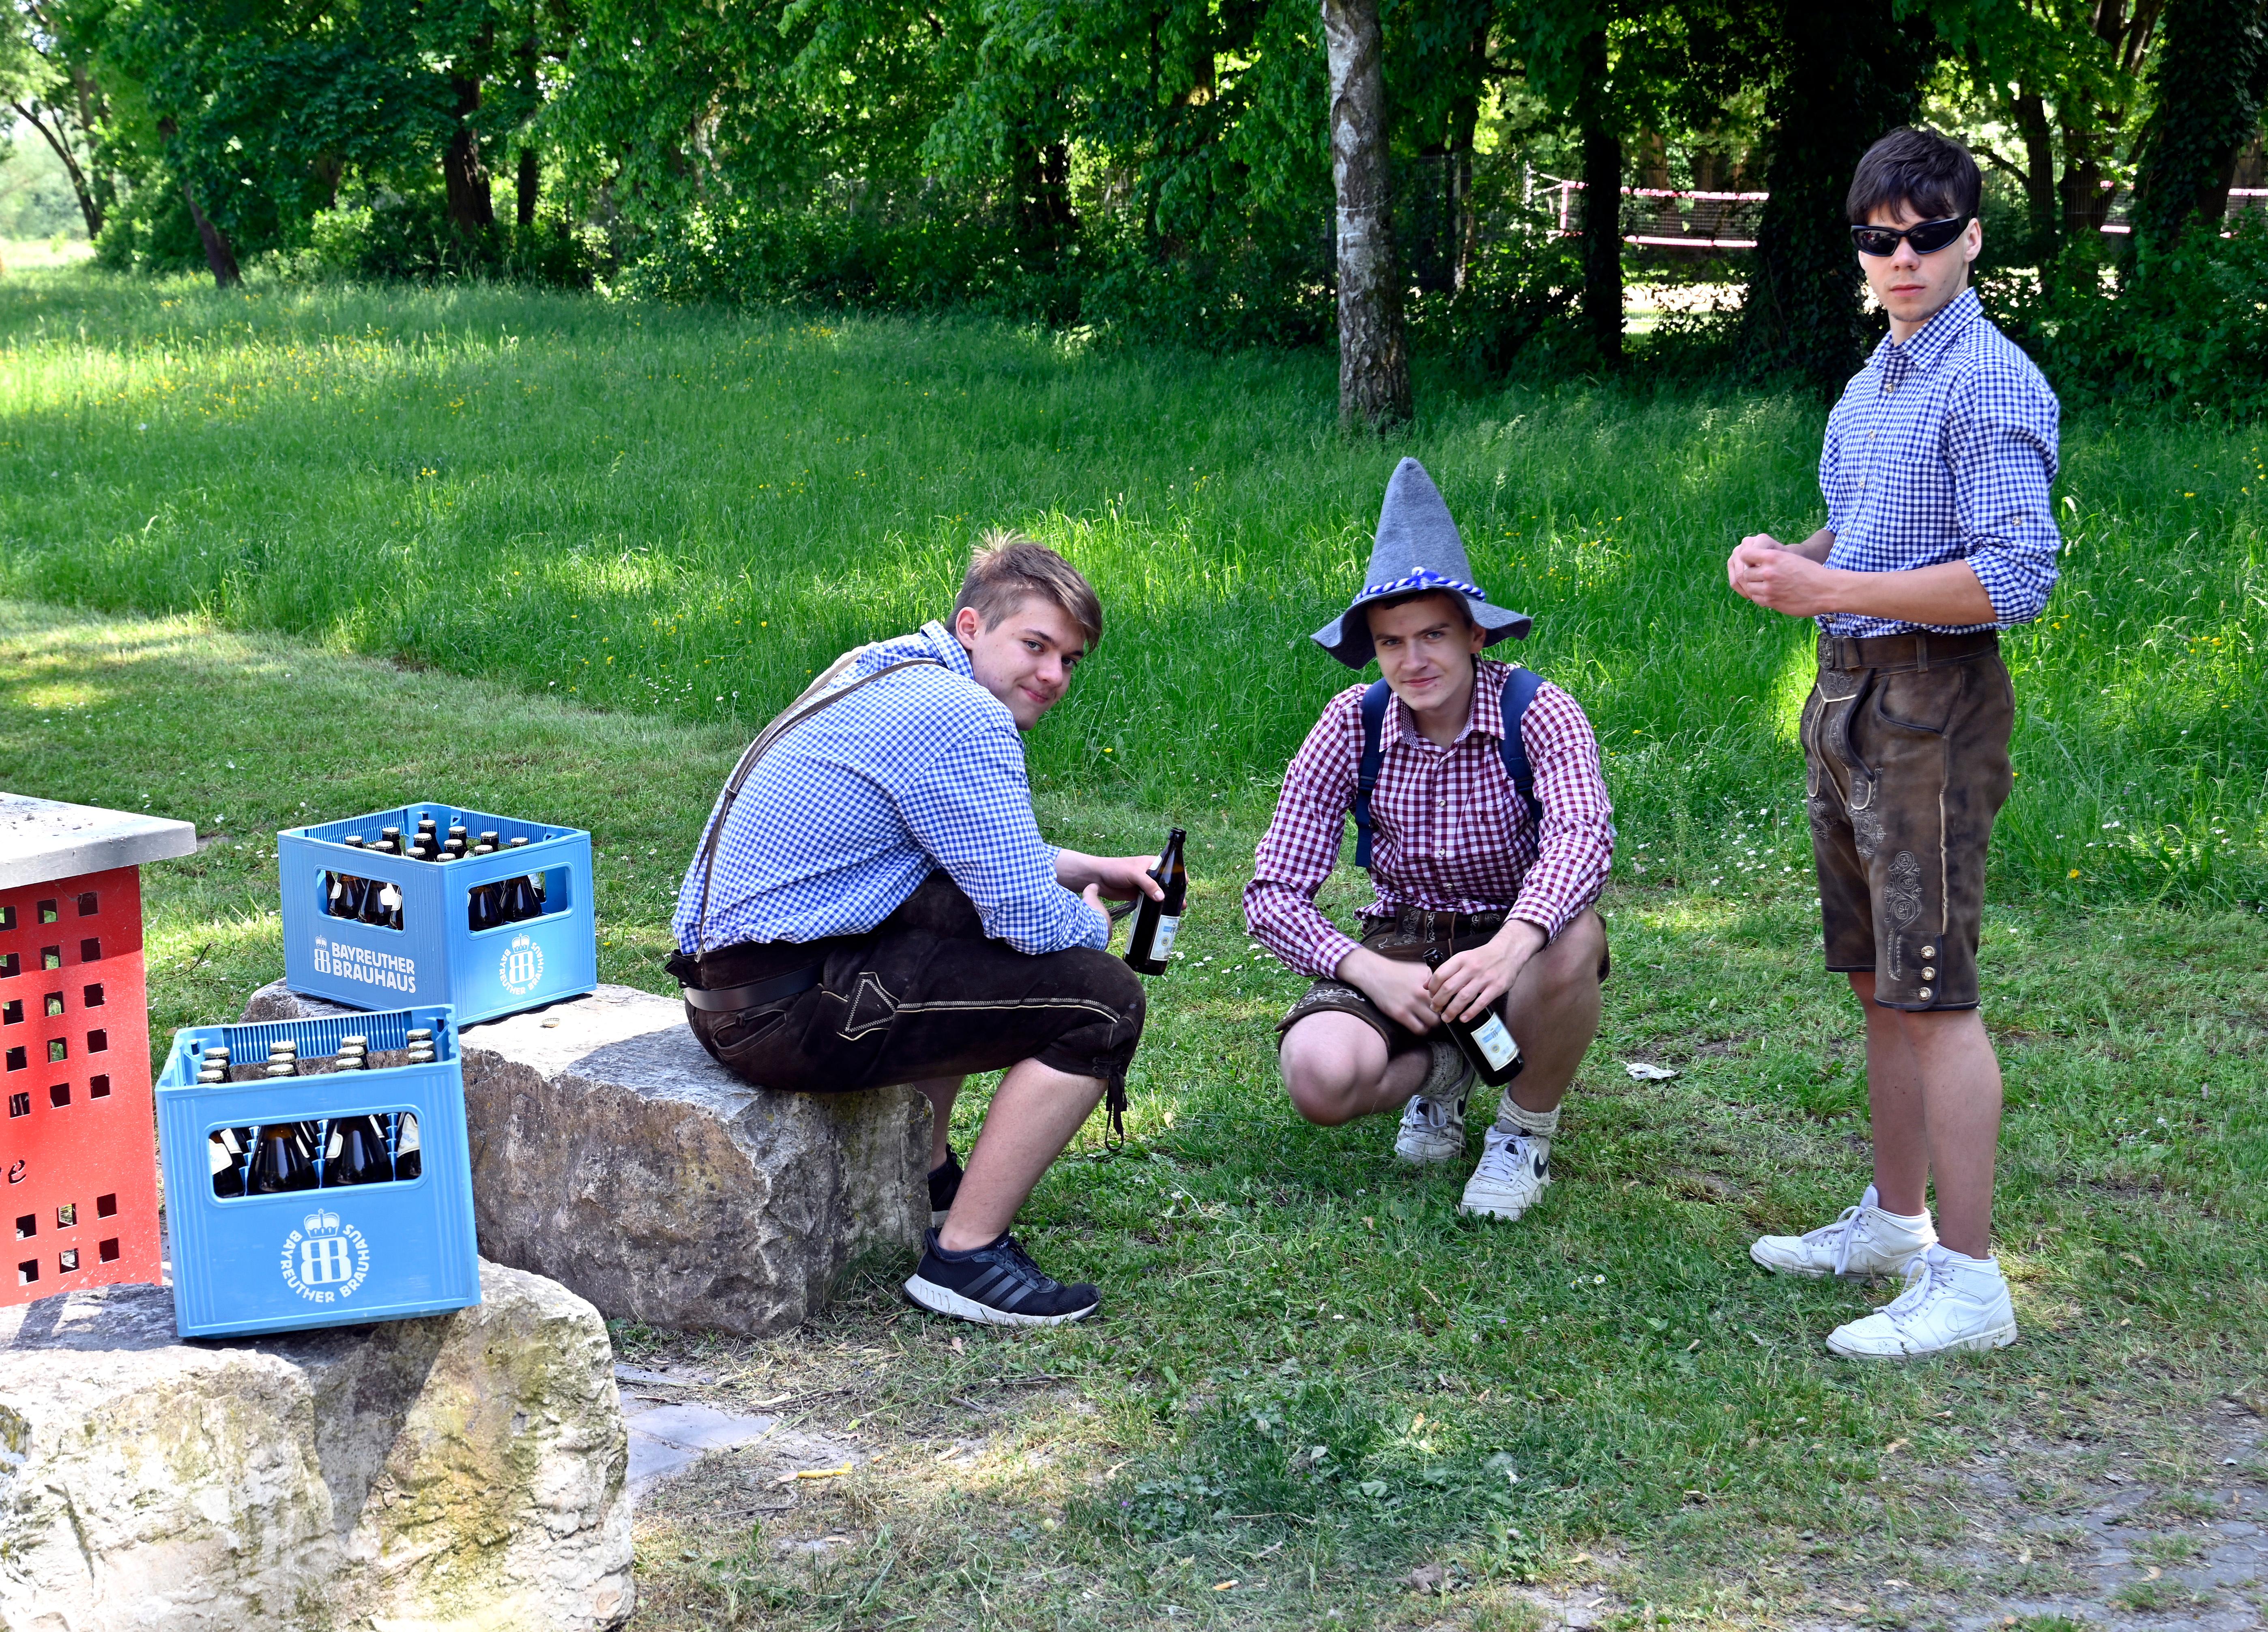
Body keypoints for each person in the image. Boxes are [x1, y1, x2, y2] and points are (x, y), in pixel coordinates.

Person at [1727, 127, 2060, 1359]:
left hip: (1933, 701)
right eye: (1882, 237)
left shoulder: (1993, 380)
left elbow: (2015, 576)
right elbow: (1858, 534)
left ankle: (1973, 1286)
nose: (1904, 256)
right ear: (1860, 246)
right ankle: (1897, 1224)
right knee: (1880, 982)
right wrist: (1794, 562)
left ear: (1973, 237)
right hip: (1851, 697)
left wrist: (1837, 585)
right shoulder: (1876, 379)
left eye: (1929, 234)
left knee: (1938, 996)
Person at [667, 535, 1165, 1327]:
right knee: (1102, 1000)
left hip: (736, 987)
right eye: (1035, 645)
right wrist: (1089, 917)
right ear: (972, 624)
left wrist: (1081, 865)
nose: (1053, 676)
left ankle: (930, 1183)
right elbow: (1029, 918)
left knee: (959, 909)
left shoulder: (891, 664)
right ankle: (966, 1255)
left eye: (1070, 659)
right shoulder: (963, 715)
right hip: (776, 1014)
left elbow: (975, 846)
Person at [1245, 458, 1613, 1220]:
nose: (1413, 661)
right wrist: (1366, 971)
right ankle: (1444, 1078)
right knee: (1317, 1077)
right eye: (1391, 643)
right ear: (1373, 649)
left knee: (1577, 937)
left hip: (1517, 941)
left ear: (1475, 633)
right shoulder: (1353, 722)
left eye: (1434, 635)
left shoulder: (1539, 711)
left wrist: (1509, 947)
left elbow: (1582, 839)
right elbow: (1273, 893)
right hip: (1403, 941)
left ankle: (1522, 1131)